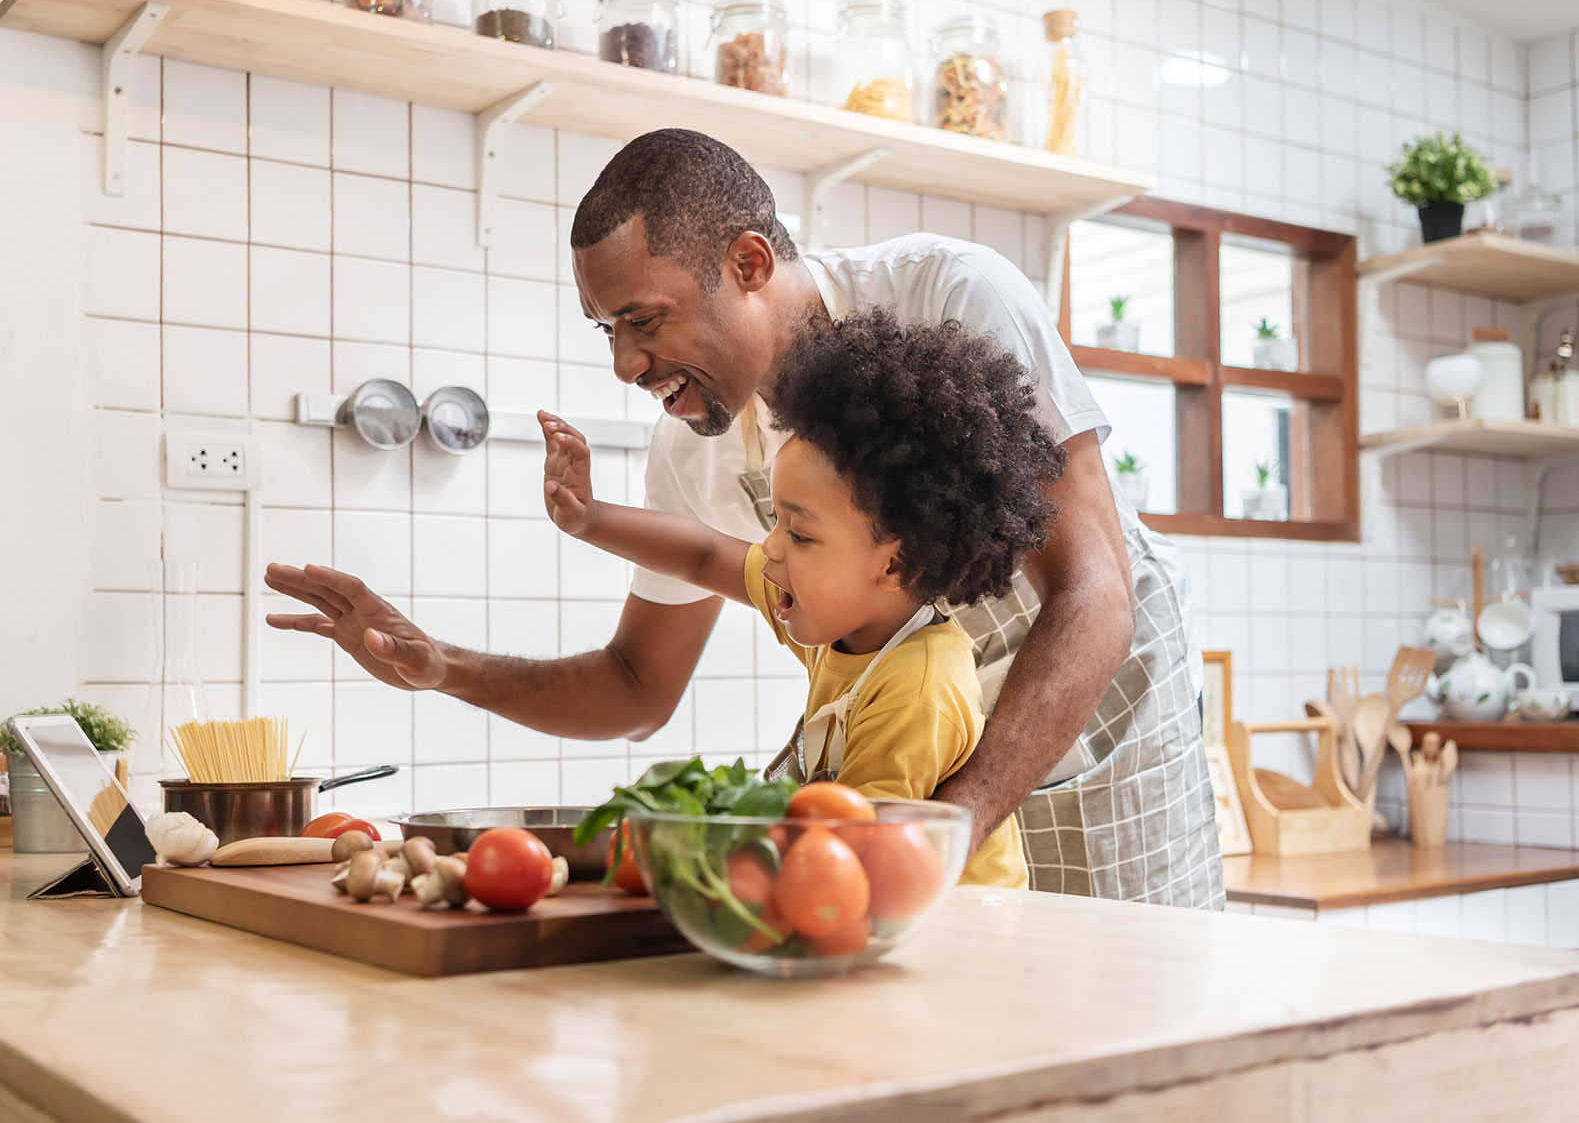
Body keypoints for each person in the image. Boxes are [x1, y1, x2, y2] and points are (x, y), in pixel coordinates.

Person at [266, 128, 1224, 909]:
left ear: (750, 261)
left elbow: (1095, 590)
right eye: (607, 331)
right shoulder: (693, 444)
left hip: (1098, 734)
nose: (625, 367)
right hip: (916, 789)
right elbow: (638, 683)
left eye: (643, 320)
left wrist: (959, 822)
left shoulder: (949, 297)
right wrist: (441, 666)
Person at [540, 307, 1063, 888]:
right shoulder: (847, 619)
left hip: (961, 941)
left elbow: (857, 863)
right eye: (778, 520)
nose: (771, 546)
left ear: (895, 564)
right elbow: (704, 556)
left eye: (800, 532)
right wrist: (591, 519)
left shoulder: (918, 690)